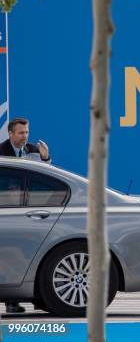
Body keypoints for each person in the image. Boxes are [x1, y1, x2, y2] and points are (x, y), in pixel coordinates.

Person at [0, 118, 51, 314]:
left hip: (29, 208)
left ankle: (40, 299)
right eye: (21, 133)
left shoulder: (33, 150)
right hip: (8, 209)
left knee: (32, 254)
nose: (25, 136)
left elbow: (46, 174)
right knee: (11, 255)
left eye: (27, 132)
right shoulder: (1, 151)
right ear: (11, 134)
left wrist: (46, 158)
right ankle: (11, 302)